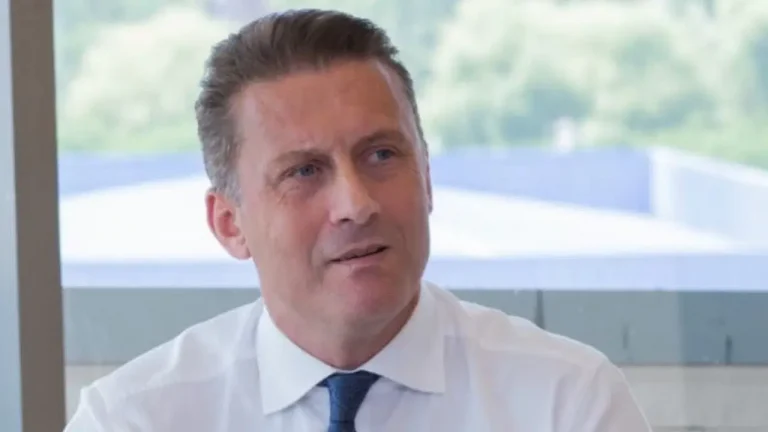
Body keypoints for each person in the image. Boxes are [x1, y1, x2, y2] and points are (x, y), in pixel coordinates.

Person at [65, 8, 652, 432]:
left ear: (427, 178)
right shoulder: (133, 418)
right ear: (229, 224)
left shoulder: (567, 403)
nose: (356, 203)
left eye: (381, 155)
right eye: (304, 171)